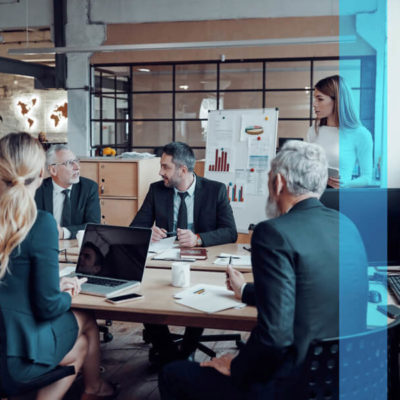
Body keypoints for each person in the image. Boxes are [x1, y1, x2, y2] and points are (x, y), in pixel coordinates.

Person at [159, 140, 369, 399]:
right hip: (343, 376)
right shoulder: (346, 224)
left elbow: (275, 339)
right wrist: (245, 290)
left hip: (291, 384)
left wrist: (235, 365)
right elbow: (309, 290)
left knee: (172, 373)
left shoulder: (273, 233)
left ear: (278, 183)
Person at [0, 132, 117, 400]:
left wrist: (52, 286)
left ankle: (93, 387)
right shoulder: (39, 223)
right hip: (15, 356)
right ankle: (94, 388)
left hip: (6, 335)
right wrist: (67, 292)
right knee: (86, 323)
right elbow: (48, 306)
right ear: (42, 173)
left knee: (81, 344)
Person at [131, 141, 237, 366]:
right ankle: (169, 352)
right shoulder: (156, 189)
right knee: (144, 296)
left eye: (165, 167)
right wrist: (147, 233)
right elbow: (135, 228)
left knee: (199, 298)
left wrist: (199, 239)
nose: (161, 172)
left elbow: (230, 232)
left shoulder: (215, 190)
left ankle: (187, 349)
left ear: (183, 170)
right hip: (162, 262)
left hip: (201, 264)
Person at [307, 74, 373, 188]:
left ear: (337, 100)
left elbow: (367, 177)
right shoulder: (313, 131)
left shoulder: (361, 134)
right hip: (311, 196)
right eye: (314, 98)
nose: (314, 104)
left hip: (338, 198)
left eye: (320, 99)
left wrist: (346, 184)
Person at [35, 144, 101, 239]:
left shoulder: (89, 188)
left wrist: (63, 233)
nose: (77, 167)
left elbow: (93, 226)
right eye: (69, 163)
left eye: (76, 161)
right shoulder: (38, 189)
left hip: (75, 246)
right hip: (45, 243)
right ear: (53, 170)